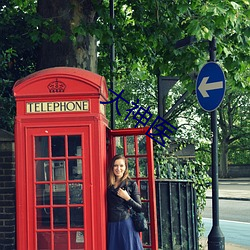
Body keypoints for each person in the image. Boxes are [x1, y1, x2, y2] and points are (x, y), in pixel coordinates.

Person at [107, 154, 144, 250]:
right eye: (115, 165)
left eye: (121, 166)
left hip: (125, 224)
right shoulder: (108, 183)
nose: (118, 168)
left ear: (125, 168)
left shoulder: (131, 184)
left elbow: (139, 208)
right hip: (111, 225)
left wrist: (127, 198)